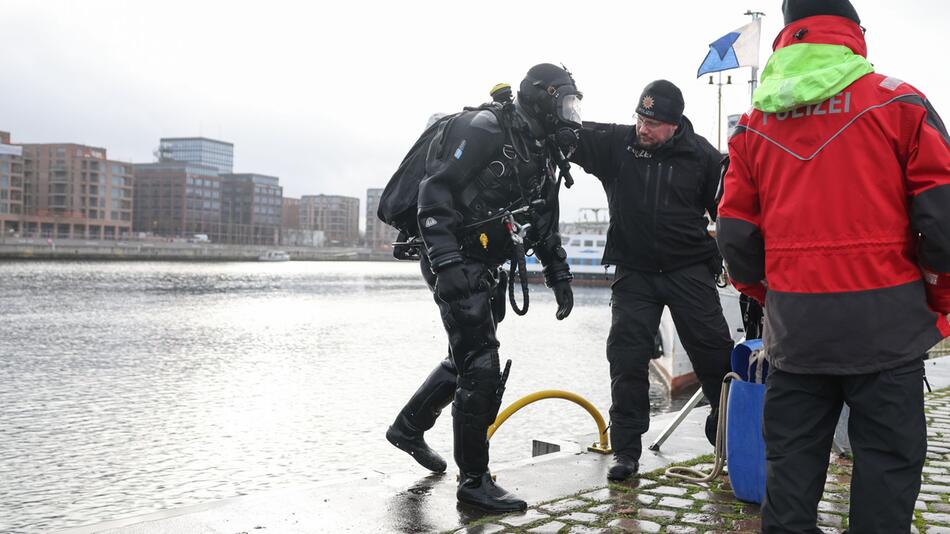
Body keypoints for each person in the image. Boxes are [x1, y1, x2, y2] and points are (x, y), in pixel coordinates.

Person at [717, 1, 950, 531]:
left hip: (798, 336)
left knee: (791, 473)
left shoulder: (754, 123)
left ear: (788, 38)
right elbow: (942, 221)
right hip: (887, 331)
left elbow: (735, 236)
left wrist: (771, 296)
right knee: (886, 470)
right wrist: (937, 300)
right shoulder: (899, 102)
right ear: (852, 33)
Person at [385, 63, 579, 512]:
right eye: (565, 102)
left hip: (484, 263)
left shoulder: (543, 149)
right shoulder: (485, 129)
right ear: (541, 97)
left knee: (465, 358)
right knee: (481, 366)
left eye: (574, 104)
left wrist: (559, 275)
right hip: (454, 259)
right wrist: (447, 263)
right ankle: (474, 484)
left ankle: (409, 428)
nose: (570, 113)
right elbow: (435, 193)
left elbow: (544, 221)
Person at [570, 80, 734, 481]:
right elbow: (565, 135)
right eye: (640, 118)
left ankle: (728, 433)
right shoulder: (616, 144)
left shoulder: (704, 158)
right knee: (626, 361)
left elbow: (729, 212)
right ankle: (626, 452)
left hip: (689, 269)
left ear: (674, 124)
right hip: (635, 272)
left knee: (715, 355)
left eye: (654, 123)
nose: (644, 129)